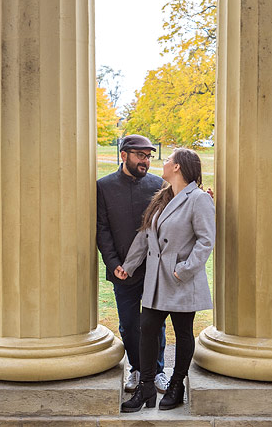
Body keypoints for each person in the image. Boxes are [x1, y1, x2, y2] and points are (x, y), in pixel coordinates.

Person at [115, 147, 214, 412]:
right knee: (146, 329)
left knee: (183, 333)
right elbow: (145, 235)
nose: (164, 163)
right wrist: (129, 265)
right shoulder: (163, 196)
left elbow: (206, 241)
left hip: (181, 279)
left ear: (179, 167)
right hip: (157, 280)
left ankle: (176, 385)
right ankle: (146, 388)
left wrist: (184, 270)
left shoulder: (199, 199)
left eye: (168, 160)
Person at [96, 134, 168, 393]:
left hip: (153, 270)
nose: (145, 161)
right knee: (128, 324)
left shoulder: (159, 184)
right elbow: (102, 229)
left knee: (155, 323)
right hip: (121, 271)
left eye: (148, 156)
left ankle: (158, 371)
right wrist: (113, 262)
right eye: (140, 155)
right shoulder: (103, 187)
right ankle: (137, 369)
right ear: (124, 155)